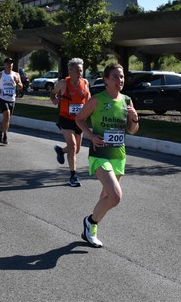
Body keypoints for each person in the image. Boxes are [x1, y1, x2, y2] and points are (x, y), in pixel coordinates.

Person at [75, 63, 139, 248]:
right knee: (116, 196)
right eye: (115, 77)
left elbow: (133, 130)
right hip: (100, 154)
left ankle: (90, 226)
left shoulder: (127, 101)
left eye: (122, 77)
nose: (120, 80)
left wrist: (134, 118)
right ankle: (91, 223)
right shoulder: (97, 100)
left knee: (107, 197)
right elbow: (79, 119)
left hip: (119, 155)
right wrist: (91, 136)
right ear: (106, 80)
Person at [50, 58, 90, 187]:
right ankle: (73, 176)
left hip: (79, 120)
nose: (80, 73)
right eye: (77, 70)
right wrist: (55, 100)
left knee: (76, 149)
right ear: (70, 71)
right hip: (65, 119)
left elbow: (88, 99)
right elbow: (52, 94)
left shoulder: (85, 83)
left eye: (81, 70)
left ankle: (61, 151)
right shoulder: (63, 84)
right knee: (72, 146)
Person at [0, 57, 23, 144]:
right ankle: (5, 135)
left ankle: (0, 132)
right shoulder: (0, 74)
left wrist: (17, 82)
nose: (9, 65)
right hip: (2, 98)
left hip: (12, 99)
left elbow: (21, 87)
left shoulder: (16, 75)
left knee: (6, 119)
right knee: (7, 115)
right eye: (7, 63)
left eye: (11, 63)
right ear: (4, 64)